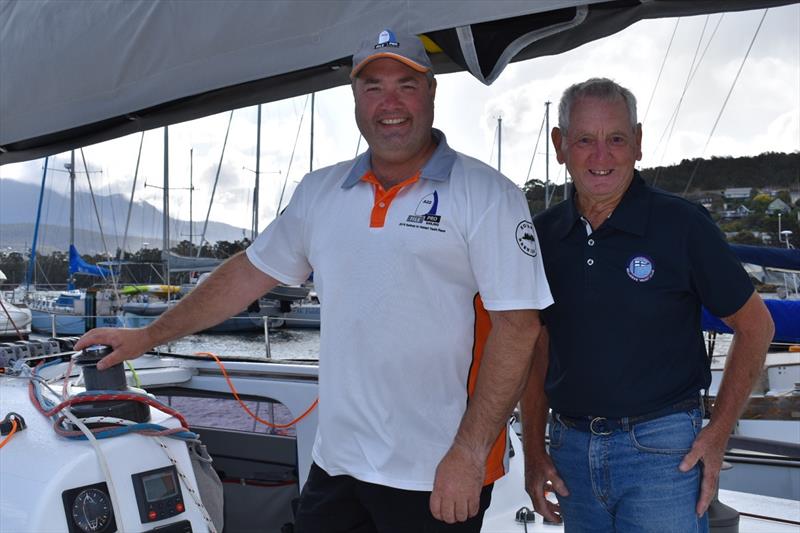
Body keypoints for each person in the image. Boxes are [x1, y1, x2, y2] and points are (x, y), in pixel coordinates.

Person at [77, 29, 553, 532]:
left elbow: (518, 329)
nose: (389, 103)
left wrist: (469, 452)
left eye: (405, 86)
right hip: (337, 463)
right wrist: (148, 336)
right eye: (373, 87)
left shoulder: (487, 195)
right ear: (354, 98)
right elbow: (246, 274)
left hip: (436, 472)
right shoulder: (319, 193)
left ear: (431, 92)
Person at [520, 77, 774, 532]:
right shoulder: (541, 236)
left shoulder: (682, 225)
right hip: (570, 453)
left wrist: (717, 435)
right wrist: (535, 452)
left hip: (663, 451)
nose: (602, 156)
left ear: (637, 143)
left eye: (616, 138)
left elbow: (757, 327)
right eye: (584, 140)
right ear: (560, 146)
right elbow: (537, 348)